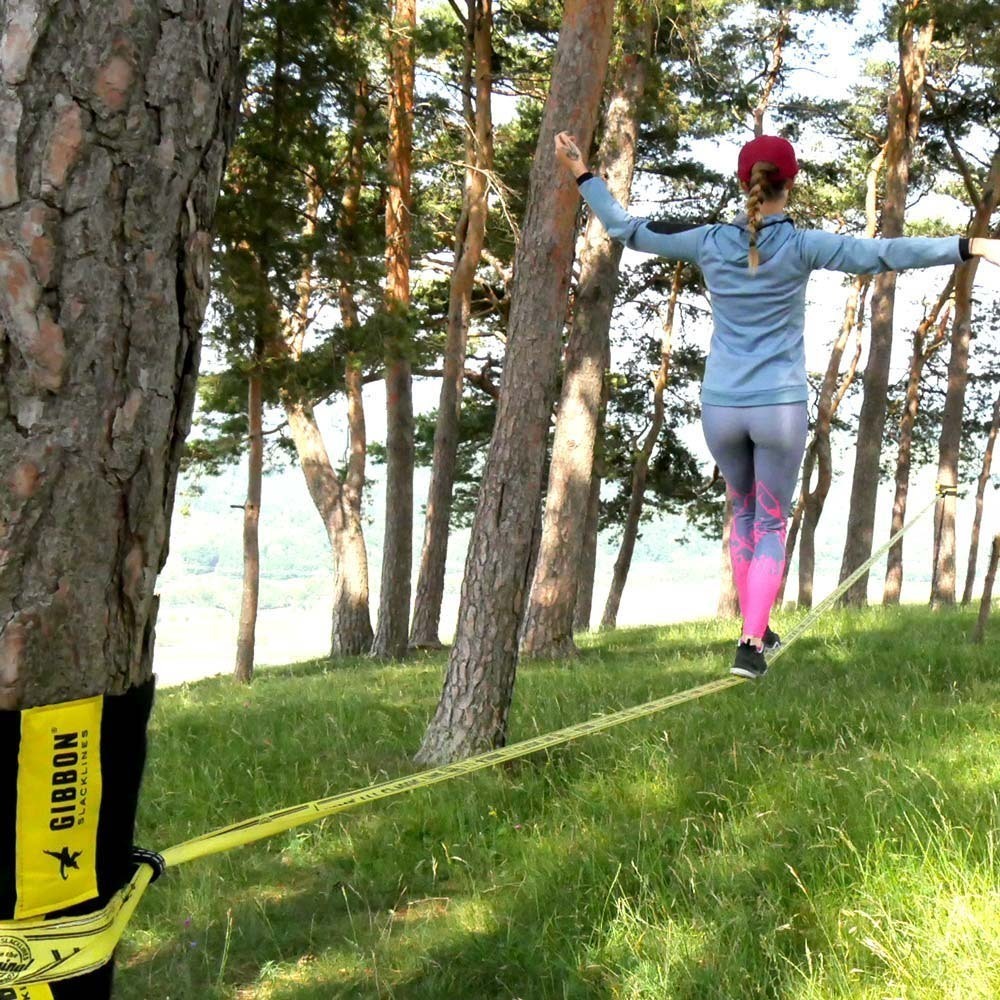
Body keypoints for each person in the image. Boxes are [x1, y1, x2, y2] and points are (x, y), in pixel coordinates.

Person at [553, 130, 1000, 679]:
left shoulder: (709, 240)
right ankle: (750, 645)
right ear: (789, 184)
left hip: (721, 407)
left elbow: (625, 229)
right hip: (778, 408)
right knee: (769, 522)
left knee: (742, 515)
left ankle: (758, 627)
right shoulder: (803, 245)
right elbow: (883, 253)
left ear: (745, 182)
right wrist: (969, 245)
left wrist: (581, 171)